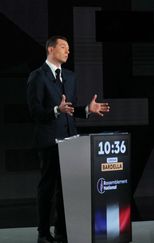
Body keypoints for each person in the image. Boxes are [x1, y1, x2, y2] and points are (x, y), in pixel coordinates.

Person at [27, 35, 110, 243]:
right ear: (50, 49)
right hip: (48, 140)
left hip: (70, 140)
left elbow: (70, 110)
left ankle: (63, 231)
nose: (67, 51)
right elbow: (35, 112)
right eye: (63, 47)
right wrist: (56, 109)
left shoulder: (70, 76)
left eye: (69, 48)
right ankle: (43, 233)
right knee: (48, 187)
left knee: (67, 188)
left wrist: (87, 110)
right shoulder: (37, 77)